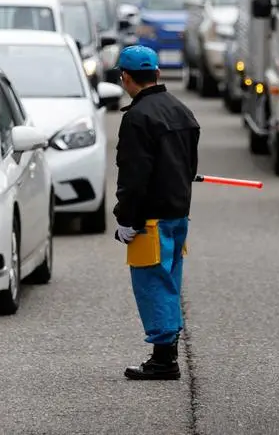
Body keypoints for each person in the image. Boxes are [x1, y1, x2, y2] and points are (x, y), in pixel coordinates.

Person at [113, 45, 200, 381]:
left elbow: (133, 175)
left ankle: (164, 361)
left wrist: (126, 219)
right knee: (170, 282)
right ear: (158, 74)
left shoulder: (137, 118)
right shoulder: (182, 111)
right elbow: (190, 166)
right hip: (178, 215)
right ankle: (167, 354)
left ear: (126, 77)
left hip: (150, 219)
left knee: (152, 285)